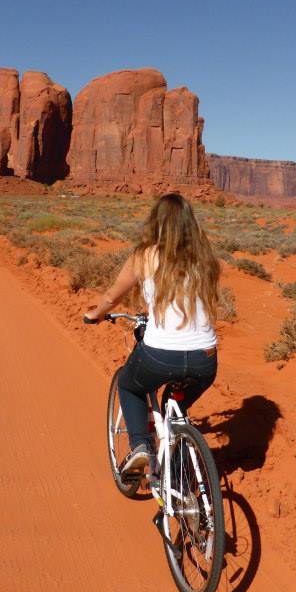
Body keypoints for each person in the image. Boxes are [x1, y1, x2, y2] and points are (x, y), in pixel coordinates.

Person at [84, 193, 219, 477]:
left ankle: (141, 446)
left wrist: (95, 314)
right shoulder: (203, 256)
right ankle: (180, 469)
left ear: (156, 222)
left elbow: (112, 297)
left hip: (159, 355)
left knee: (129, 384)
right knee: (177, 404)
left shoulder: (145, 255)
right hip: (205, 359)